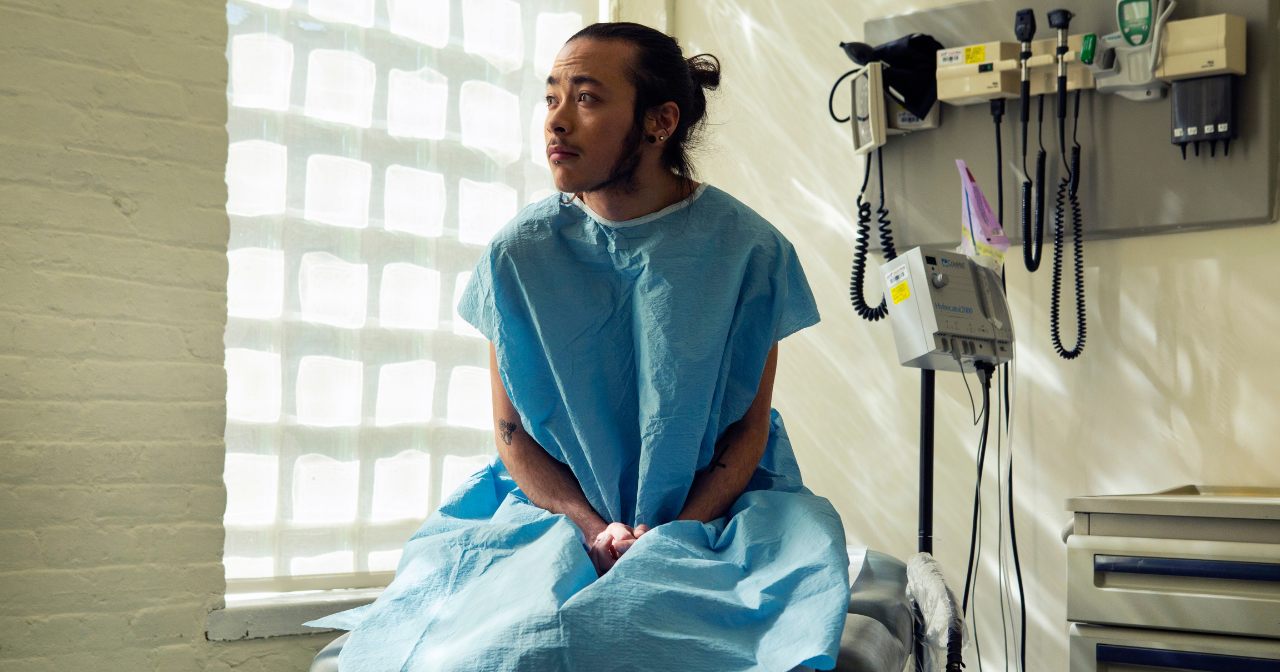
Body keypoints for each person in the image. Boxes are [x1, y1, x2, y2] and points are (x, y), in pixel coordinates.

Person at [309, 22, 850, 671]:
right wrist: (592, 529)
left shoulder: (750, 253)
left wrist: (672, 533)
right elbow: (513, 434)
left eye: (586, 98)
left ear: (660, 122)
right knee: (496, 649)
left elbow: (748, 432)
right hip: (554, 508)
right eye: (551, 98)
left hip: (719, 512)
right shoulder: (518, 255)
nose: (556, 121)